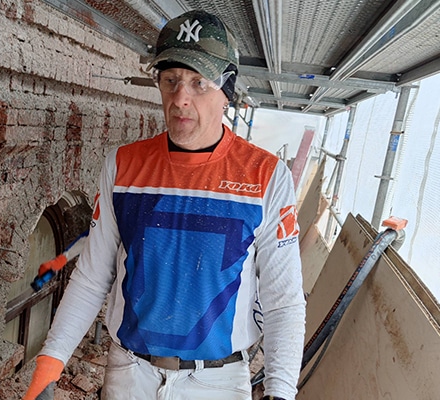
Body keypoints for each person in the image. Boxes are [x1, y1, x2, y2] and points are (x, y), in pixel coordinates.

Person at [23, 9, 306, 400]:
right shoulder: (123, 166)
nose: (180, 99)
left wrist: (280, 391)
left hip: (217, 383)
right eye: (170, 81)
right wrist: (49, 364)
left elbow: (282, 301)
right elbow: (92, 276)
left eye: (198, 83)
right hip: (129, 374)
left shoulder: (266, 177)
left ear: (227, 89)